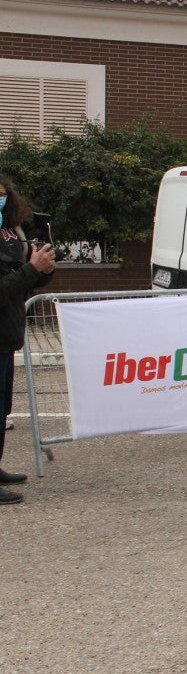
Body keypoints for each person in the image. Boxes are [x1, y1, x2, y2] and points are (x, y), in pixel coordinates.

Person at [0, 173, 55, 504]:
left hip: (7, 336)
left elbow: (21, 283)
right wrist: (31, 270)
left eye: (3, 194)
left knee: (2, 410)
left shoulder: (10, 233)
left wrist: (43, 270)